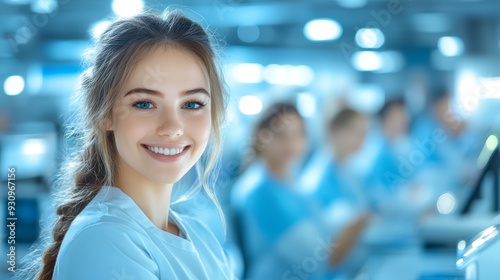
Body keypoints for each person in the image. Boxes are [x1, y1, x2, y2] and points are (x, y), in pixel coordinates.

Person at [22, 10, 232, 279]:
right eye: (144, 104)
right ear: (105, 113)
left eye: (192, 104)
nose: (172, 128)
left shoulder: (200, 235)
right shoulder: (102, 240)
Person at [231, 103, 340, 279]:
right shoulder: (260, 192)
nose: (291, 143)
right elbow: (316, 259)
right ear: (261, 137)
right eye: (281, 135)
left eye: (298, 134)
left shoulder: (288, 181)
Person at [299, 107, 371, 277]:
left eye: (364, 134)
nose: (361, 140)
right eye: (355, 132)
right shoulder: (316, 182)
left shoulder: (347, 171)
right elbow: (322, 253)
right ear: (334, 132)